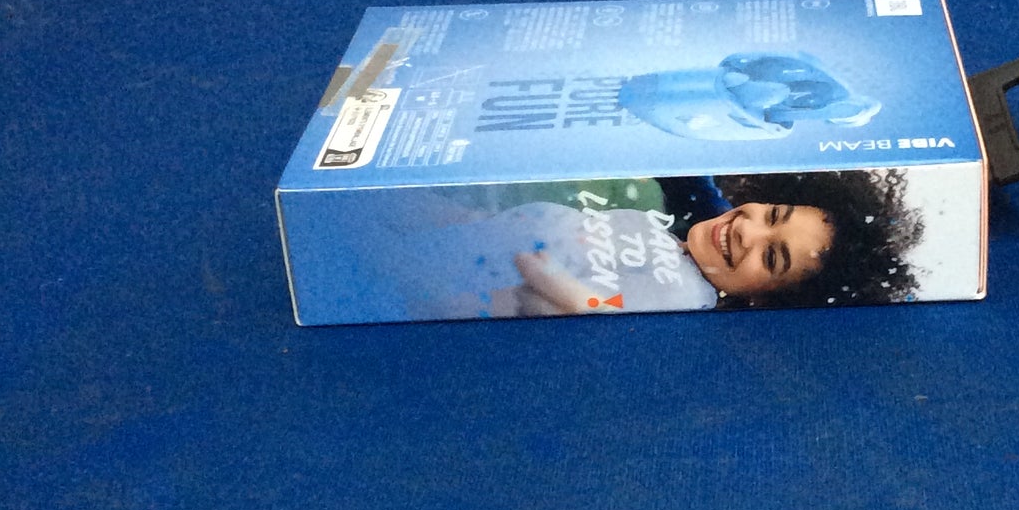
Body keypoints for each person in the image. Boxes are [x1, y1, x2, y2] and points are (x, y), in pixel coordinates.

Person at [327, 170, 922, 322]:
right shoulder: (655, 225)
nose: (749, 230)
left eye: (772, 256)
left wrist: (568, 297)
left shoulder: (685, 300)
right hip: (416, 245)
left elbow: (603, 310)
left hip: (414, 297)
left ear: (765, 300)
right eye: (773, 215)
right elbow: (504, 221)